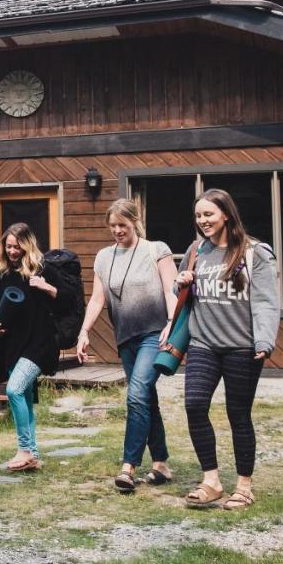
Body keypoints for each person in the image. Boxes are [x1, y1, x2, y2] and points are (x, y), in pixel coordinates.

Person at [171, 188, 280, 511]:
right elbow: (180, 290)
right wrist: (182, 281)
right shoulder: (195, 250)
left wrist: (264, 339)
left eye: (209, 214)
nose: (202, 221)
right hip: (203, 342)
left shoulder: (254, 253)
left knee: (238, 414)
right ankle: (212, 481)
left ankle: (244, 486)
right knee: (194, 405)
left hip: (242, 347)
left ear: (226, 215)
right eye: (198, 215)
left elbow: (265, 301)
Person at [76, 199, 178, 492]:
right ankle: (160, 463)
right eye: (113, 226)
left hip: (154, 334)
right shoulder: (104, 257)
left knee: (135, 395)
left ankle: (128, 467)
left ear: (135, 221)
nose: (118, 230)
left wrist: (171, 322)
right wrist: (85, 331)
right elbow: (97, 299)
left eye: (123, 224)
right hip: (126, 338)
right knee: (145, 397)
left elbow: (172, 290)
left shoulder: (155, 249)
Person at [0, 223, 61, 472]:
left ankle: (24, 449)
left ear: (27, 245)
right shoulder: (1, 274)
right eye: (9, 246)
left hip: (39, 343)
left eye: (17, 246)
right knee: (23, 396)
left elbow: (68, 299)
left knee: (14, 390)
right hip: (12, 346)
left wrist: (46, 287)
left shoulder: (42, 269)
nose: (13, 251)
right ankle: (33, 455)